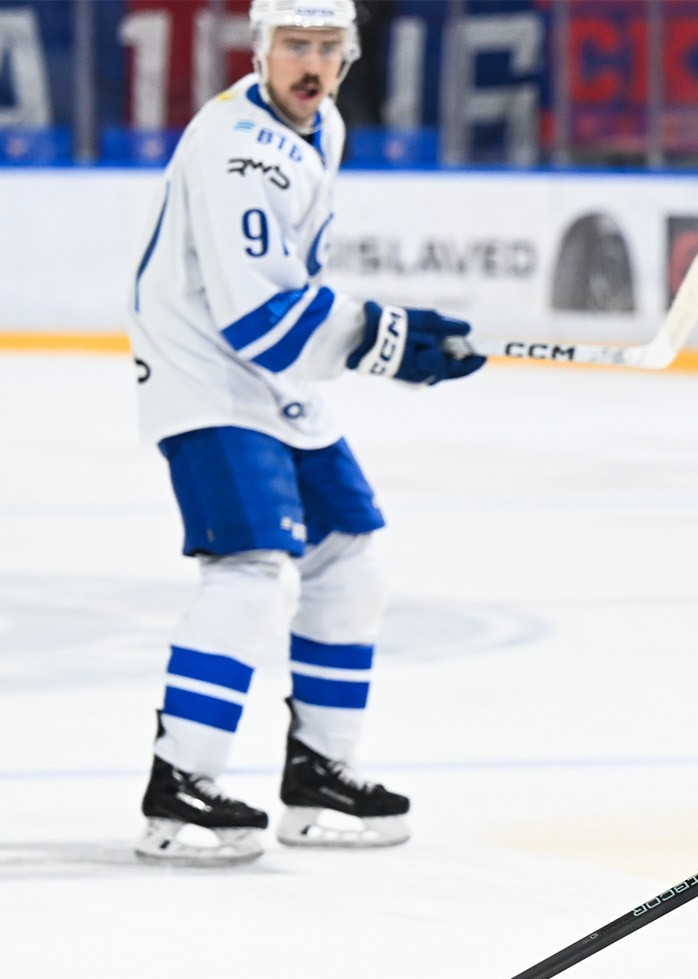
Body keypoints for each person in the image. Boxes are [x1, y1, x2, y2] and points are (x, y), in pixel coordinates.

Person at [129, 0, 484, 865]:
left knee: (350, 559)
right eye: (295, 45)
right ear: (259, 50)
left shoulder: (322, 127)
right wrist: (390, 340)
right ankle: (180, 783)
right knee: (250, 568)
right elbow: (258, 316)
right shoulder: (237, 148)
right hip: (204, 372)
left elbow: (288, 294)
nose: (311, 64)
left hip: (272, 379)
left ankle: (320, 772)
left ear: (349, 55)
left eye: (328, 47)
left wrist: (392, 337)